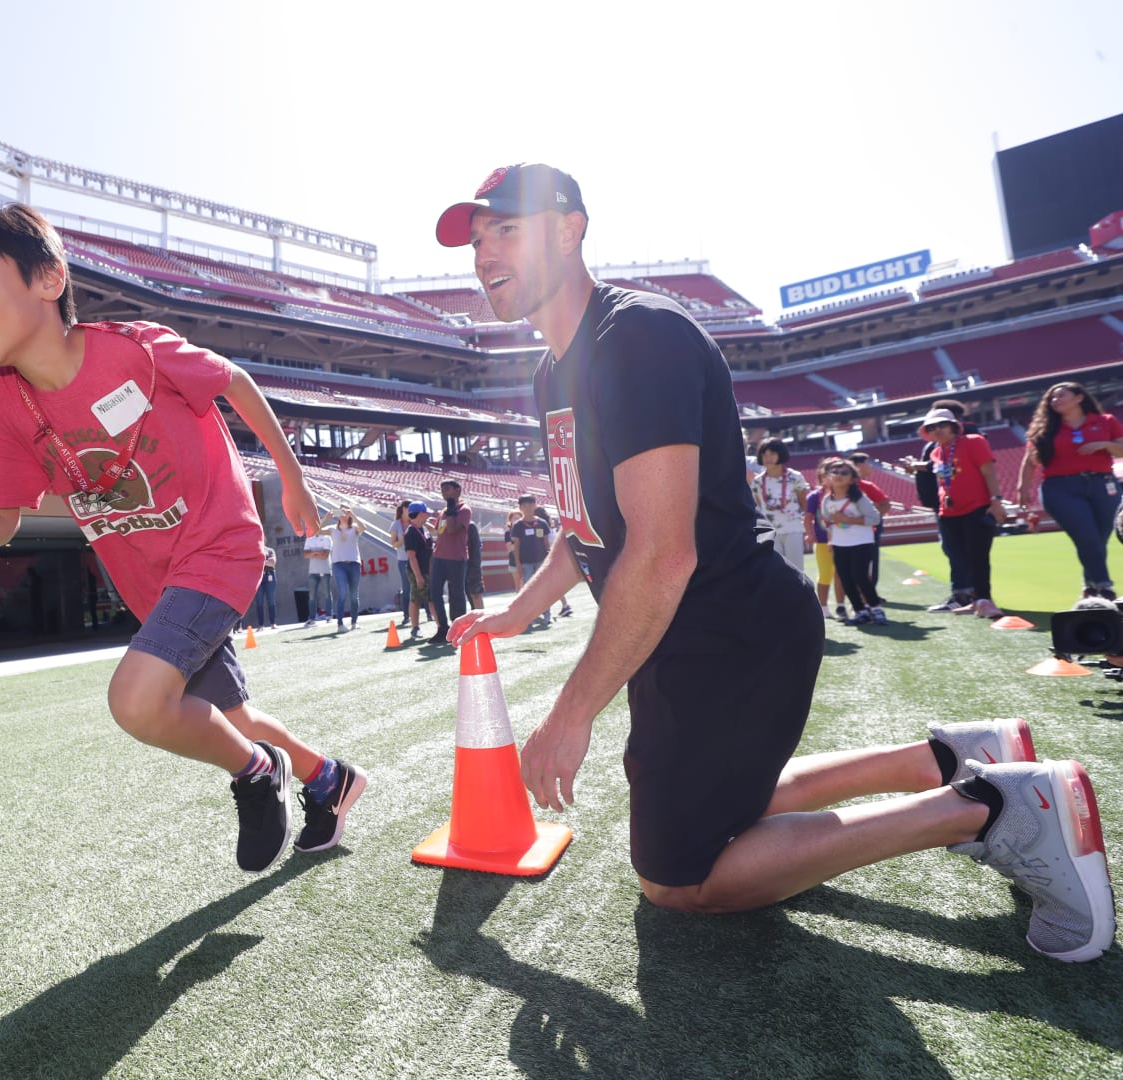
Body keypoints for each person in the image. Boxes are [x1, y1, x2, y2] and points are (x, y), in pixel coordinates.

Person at [434, 161, 1113, 961]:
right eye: (477, 241)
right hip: (689, 630)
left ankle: (996, 809)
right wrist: (521, 608)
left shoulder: (634, 337)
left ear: (572, 229)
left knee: (679, 879)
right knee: (728, 814)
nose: (484, 255)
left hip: (727, 627)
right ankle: (954, 757)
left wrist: (570, 714)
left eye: (505, 231)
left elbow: (660, 554)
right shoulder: (556, 367)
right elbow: (588, 522)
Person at [0, 203, 364, 872]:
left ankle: (256, 774)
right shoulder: (0, 396)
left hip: (217, 549)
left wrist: (293, 479)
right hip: (152, 581)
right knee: (226, 715)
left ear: (49, 280)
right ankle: (328, 781)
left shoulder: (137, 349)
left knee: (136, 701)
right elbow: (1, 517)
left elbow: (237, 382)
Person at [1017, 381, 1123, 602]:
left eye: (1061, 396)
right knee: (1088, 536)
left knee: (1097, 540)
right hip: (1060, 488)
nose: (1055, 401)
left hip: (1103, 484)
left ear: (1079, 397)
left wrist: (1104, 444)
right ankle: (1105, 588)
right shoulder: (1045, 428)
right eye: (1052, 398)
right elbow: (1029, 462)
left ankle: (1090, 587)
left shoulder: (1105, 421)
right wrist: (1023, 488)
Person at [921, 407, 1007, 618]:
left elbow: (989, 472)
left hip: (976, 506)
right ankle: (973, 600)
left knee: (978, 556)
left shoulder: (974, 441)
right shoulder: (936, 451)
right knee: (960, 556)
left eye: (942, 425)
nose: (937, 430)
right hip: (948, 512)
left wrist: (996, 501)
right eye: (932, 427)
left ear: (953, 426)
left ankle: (985, 599)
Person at [818, 458, 886, 626]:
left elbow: (875, 518)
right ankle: (860, 611)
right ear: (827, 476)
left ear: (853, 478)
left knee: (860, 576)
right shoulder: (827, 500)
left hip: (862, 542)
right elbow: (827, 519)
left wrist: (848, 519)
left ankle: (876, 609)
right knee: (846, 579)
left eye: (844, 473)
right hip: (840, 544)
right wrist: (832, 537)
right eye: (834, 472)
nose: (838, 475)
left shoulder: (859, 498)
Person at [749, 437, 809, 575]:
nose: (768, 458)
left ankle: (798, 597)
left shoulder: (795, 477)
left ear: (780, 454)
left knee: (796, 570)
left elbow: (803, 503)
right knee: (774, 571)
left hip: (792, 528)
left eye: (772, 454)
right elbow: (759, 508)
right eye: (764, 455)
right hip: (768, 532)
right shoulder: (757, 482)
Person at [428, 479, 472, 643]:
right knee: (434, 594)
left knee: (457, 595)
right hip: (439, 557)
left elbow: (453, 529)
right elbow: (439, 531)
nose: (444, 493)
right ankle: (443, 628)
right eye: (442, 490)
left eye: (447, 489)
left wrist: (452, 509)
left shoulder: (464, 510)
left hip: (456, 558)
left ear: (457, 490)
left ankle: (459, 629)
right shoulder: (443, 511)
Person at [845, 451, 893, 601]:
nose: (870, 467)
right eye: (867, 463)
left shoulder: (867, 486)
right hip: (846, 531)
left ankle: (869, 593)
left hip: (869, 530)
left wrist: (871, 519)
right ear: (858, 466)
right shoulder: (847, 486)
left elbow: (885, 504)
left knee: (870, 561)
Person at [804, 459, 847, 620]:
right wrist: (809, 533)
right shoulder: (815, 496)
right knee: (825, 574)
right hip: (822, 541)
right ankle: (822, 606)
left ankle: (841, 606)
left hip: (843, 540)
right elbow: (808, 518)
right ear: (821, 476)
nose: (833, 477)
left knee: (841, 574)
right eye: (828, 473)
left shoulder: (844, 494)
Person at [510, 494, 556, 625]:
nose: (528, 508)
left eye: (531, 504)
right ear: (520, 508)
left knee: (543, 588)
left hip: (541, 561)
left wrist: (549, 560)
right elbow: (516, 546)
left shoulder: (541, 523)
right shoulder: (518, 525)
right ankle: (529, 618)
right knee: (528, 590)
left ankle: (547, 615)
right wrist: (518, 563)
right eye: (525, 505)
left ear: (535, 505)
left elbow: (546, 544)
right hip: (526, 563)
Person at [329, 506, 365, 632]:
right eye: (341, 511)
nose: (343, 514)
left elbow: (364, 528)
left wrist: (353, 515)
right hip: (338, 564)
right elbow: (316, 531)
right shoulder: (333, 529)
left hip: (354, 563)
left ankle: (354, 622)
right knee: (342, 592)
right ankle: (340, 624)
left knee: (354, 595)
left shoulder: (354, 527)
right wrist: (325, 518)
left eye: (345, 512)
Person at [403, 501, 434, 640]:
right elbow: (411, 556)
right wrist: (418, 576)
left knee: (429, 597)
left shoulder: (422, 528)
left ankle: (440, 625)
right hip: (418, 570)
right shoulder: (411, 532)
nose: (428, 515)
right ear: (421, 513)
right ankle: (415, 628)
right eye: (426, 513)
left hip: (426, 569)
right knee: (417, 598)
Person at [303, 519, 333, 626]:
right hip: (313, 571)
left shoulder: (327, 538)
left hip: (325, 570)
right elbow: (305, 555)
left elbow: (325, 555)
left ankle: (329, 616)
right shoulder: (308, 539)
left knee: (327, 594)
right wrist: (317, 552)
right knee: (312, 595)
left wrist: (312, 553)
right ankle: (312, 618)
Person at [389, 500, 413, 609]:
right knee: (406, 587)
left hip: (417, 558)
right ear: (404, 509)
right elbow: (393, 544)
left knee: (421, 586)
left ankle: (427, 612)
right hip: (403, 559)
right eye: (409, 508)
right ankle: (406, 614)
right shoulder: (396, 524)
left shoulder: (414, 521)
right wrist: (403, 539)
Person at [254, 542, 278, 629]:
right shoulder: (254, 550)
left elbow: (272, 563)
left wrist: (260, 561)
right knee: (259, 602)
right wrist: (266, 561)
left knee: (271, 600)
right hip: (258, 577)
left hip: (270, 576)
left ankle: (273, 623)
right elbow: (253, 563)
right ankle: (261, 625)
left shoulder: (270, 550)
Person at [465, 518, 485, 610]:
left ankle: (481, 618)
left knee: (475, 594)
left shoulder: (470, 526)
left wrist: (475, 567)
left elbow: (476, 550)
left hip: (471, 566)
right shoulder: (451, 525)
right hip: (458, 566)